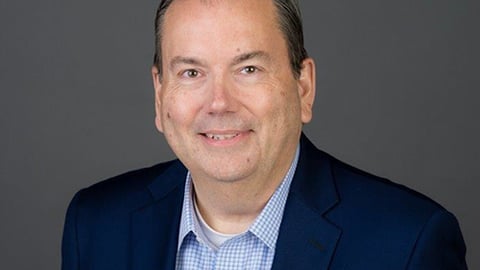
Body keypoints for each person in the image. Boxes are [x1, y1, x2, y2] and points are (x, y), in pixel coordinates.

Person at [61, 0, 467, 269]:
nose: (219, 102)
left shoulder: (409, 244)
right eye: (191, 72)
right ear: (160, 94)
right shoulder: (95, 226)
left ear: (303, 86)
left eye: (248, 69)